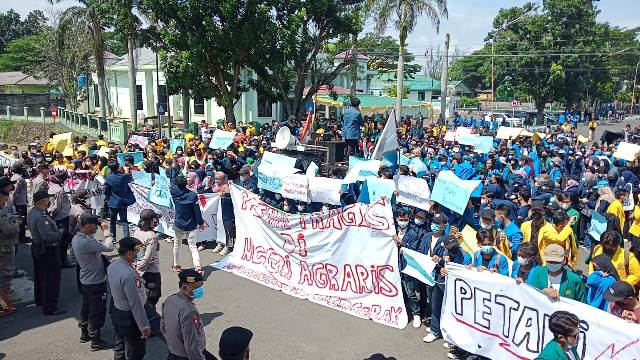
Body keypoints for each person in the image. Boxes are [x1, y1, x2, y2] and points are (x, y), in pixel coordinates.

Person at [71, 213, 113, 351]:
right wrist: (106, 231)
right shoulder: (85, 242)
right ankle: (96, 340)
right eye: (95, 226)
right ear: (88, 226)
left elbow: (93, 242)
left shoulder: (80, 238)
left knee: (86, 307)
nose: (98, 228)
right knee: (97, 311)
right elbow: (109, 247)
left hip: (86, 280)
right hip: (96, 282)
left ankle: (85, 333)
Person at [107, 237, 151, 360]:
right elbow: (135, 303)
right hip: (129, 317)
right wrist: (144, 326)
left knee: (120, 344)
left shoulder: (114, 265)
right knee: (136, 351)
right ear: (130, 253)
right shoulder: (128, 274)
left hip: (116, 310)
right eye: (136, 253)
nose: (138, 255)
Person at [161, 269, 217, 360]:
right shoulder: (189, 312)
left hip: (173, 351)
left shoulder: (170, 300)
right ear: (184, 288)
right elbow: (192, 346)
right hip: (186, 356)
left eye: (201, 287)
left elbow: (163, 326)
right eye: (197, 287)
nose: (200, 290)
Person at [27, 189, 65, 315]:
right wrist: (60, 233)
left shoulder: (32, 212)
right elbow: (48, 236)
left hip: (37, 247)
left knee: (40, 276)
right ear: (44, 200)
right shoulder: (40, 216)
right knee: (51, 278)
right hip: (47, 249)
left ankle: (40, 300)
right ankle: (50, 307)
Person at [171, 175, 205, 273]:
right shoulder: (192, 195)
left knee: (177, 244)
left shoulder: (173, 192)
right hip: (191, 224)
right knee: (193, 246)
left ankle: (176, 265)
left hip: (179, 223)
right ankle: (198, 267)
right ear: (186, 184)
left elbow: (173, 183)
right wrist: (201, 223)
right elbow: (197, 211)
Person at [133, 209, 162, 308]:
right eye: (155, 219)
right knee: (152, 299)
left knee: (143, 296)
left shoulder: (136, 231)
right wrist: (139, 271)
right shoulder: (151, 236)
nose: (156, 222)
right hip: (151, 273)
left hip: (139, 268)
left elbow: (136, 251)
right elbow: (148, 258)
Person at [104, 159, 136, 237]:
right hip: (123, 202)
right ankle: (126, 237)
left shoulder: (108, 178)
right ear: (118, 167)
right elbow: (131, 179)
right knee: (124, 221)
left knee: (112, 221)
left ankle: (113, 237)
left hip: (113, 202)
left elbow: (106, 191)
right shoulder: (124, 176)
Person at [0, 190, 19, 301]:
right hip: (4, 245)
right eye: (4, 200)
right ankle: (4, 297)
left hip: (4, 243)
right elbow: (8, 229)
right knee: (6, 271)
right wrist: (16, 224)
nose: (5, 202)